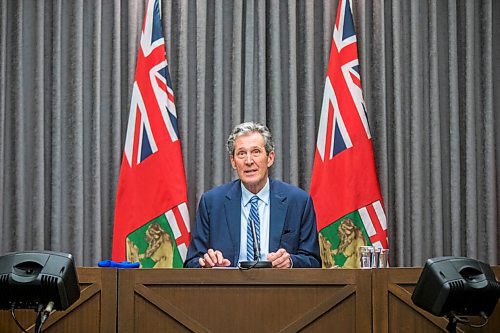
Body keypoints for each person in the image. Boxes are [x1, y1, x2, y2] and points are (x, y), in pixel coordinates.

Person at [184, 121, 321, 268]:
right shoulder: (211, 203)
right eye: (241, 153)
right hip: (228, 289)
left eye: (256, 152)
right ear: (233, 161)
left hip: (279, 289)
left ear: (270, 158)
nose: (249, 161)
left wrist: (291, 262)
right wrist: (207, 264)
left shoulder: (298, 201)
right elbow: (191, 263)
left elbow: (313, 262)